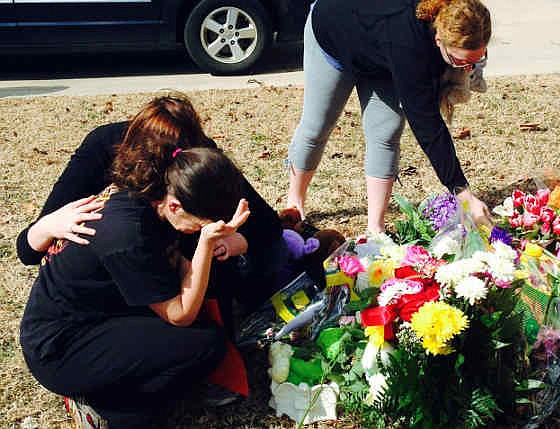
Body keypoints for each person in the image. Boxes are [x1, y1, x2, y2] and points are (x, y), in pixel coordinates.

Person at [20, 145, 250, 429]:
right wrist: (206, 242)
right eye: (201, 226)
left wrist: (221, 240)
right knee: (204, 347)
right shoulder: (128, 235)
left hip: (100, 314)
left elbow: (182, 263)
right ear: (176, 206)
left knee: (203, 336)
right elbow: (181, 314)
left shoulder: (156, 195)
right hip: (62, 348)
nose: (201, 232)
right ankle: (103, 404)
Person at [15, 96, 288, 326]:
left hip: (188, 263)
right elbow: (26, 251)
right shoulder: (104, 147)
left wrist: (235, 241)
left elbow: (266, 224)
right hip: (129, 277)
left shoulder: (199, 160)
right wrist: (49, 225)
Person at [286, 0, 493, 233]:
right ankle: (294, 201)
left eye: (476, 61)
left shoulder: (465, 20)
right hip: (334, 33)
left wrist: (467, 62)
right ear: (439, 40)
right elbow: (427, 124)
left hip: (382, 50)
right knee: (318, 125)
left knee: (387, 132)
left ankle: (376, 228)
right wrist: (462, 192)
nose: (468, 70)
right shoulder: (407, 43)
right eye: (461, 62)